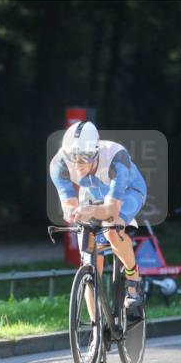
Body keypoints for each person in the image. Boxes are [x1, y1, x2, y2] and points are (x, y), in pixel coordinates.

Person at [49, 121, 148, 309]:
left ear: (95, 153)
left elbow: (111, 210)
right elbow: (69, 204)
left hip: (128, 191)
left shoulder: (116, 158)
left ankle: (133, 278)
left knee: (111, 229)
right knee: (90, 258)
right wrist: (72, 213)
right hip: (92, 193)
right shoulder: (58, 164)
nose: (77, 164)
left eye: (84, 157)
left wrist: (92, 211)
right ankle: (97, 330)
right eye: (73, 157)